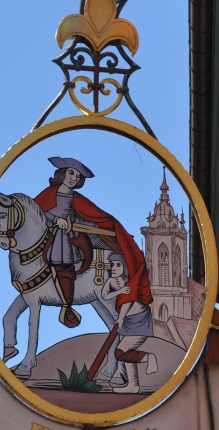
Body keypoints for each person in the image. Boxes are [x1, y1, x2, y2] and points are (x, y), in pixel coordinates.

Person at [34, 156, 151, 328]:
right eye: (71, 173)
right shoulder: (48, 194)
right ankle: (63, 302)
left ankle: (67, 305)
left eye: (77, 175)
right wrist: (53, 219)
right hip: (49, 237)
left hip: (69, 237)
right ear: (61, 174)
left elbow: (94, 215)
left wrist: (73, 223)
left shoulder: (77, 199)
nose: (74, 177)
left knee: (67, 256)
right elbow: (35, 213)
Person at [102, 254, 156, 392]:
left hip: (139, 318)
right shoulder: (112, 281)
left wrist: (120, 318)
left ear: (125, 267)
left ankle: (148, 357)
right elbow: (105, 295)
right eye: (112, 264)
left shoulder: (131, 280)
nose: (114, 268)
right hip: (129, 321)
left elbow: (128, 301)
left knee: (120, 352)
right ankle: (133, 385)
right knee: (124, 352)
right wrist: (119, 291)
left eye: (118, 265)